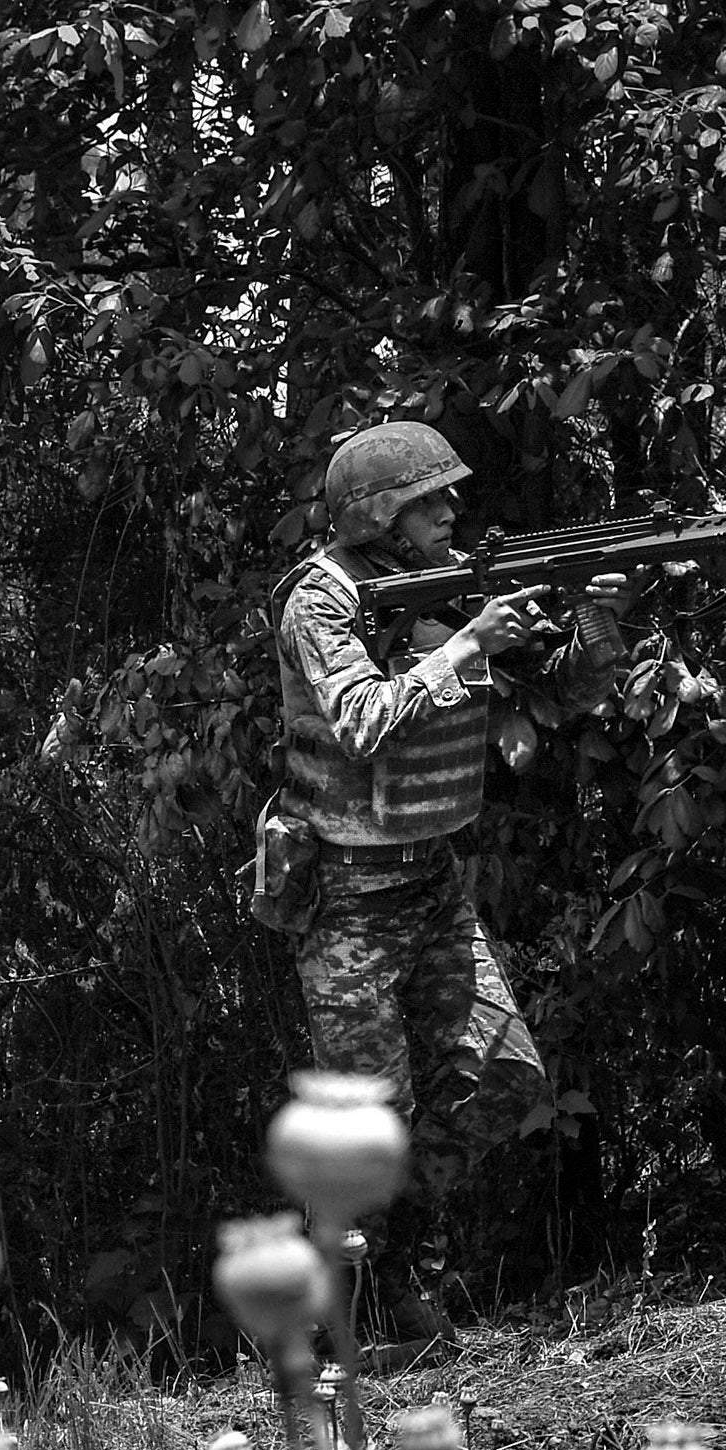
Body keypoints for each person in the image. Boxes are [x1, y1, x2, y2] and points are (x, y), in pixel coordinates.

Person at [267, 420, 629, 1337]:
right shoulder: (322, 599)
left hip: (428, 881)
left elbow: (562, 693)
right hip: (345, 898)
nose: (454, 510)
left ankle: (401, 1275)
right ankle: (336, 1325)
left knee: (504, 1078)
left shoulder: (449, 588)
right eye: (433, 499)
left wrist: (594, 619)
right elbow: (358, 716)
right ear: (383, 515)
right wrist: (466, 642)